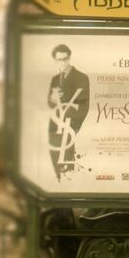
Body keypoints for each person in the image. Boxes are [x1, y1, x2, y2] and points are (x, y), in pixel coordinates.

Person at [47, 43, 90, 179]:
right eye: (60, 59)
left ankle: (68, 175)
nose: (63, 62)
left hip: (73, 119)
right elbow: (50, 103)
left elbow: (84, 103)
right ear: (55, 60)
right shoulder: (55, 79)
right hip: (58, 120)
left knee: (67, 146)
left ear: (69, 58)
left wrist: (74, 123)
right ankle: (59, 175)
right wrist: (52, 99)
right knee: (54, 146)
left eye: (65, 58)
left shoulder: (82, 77)